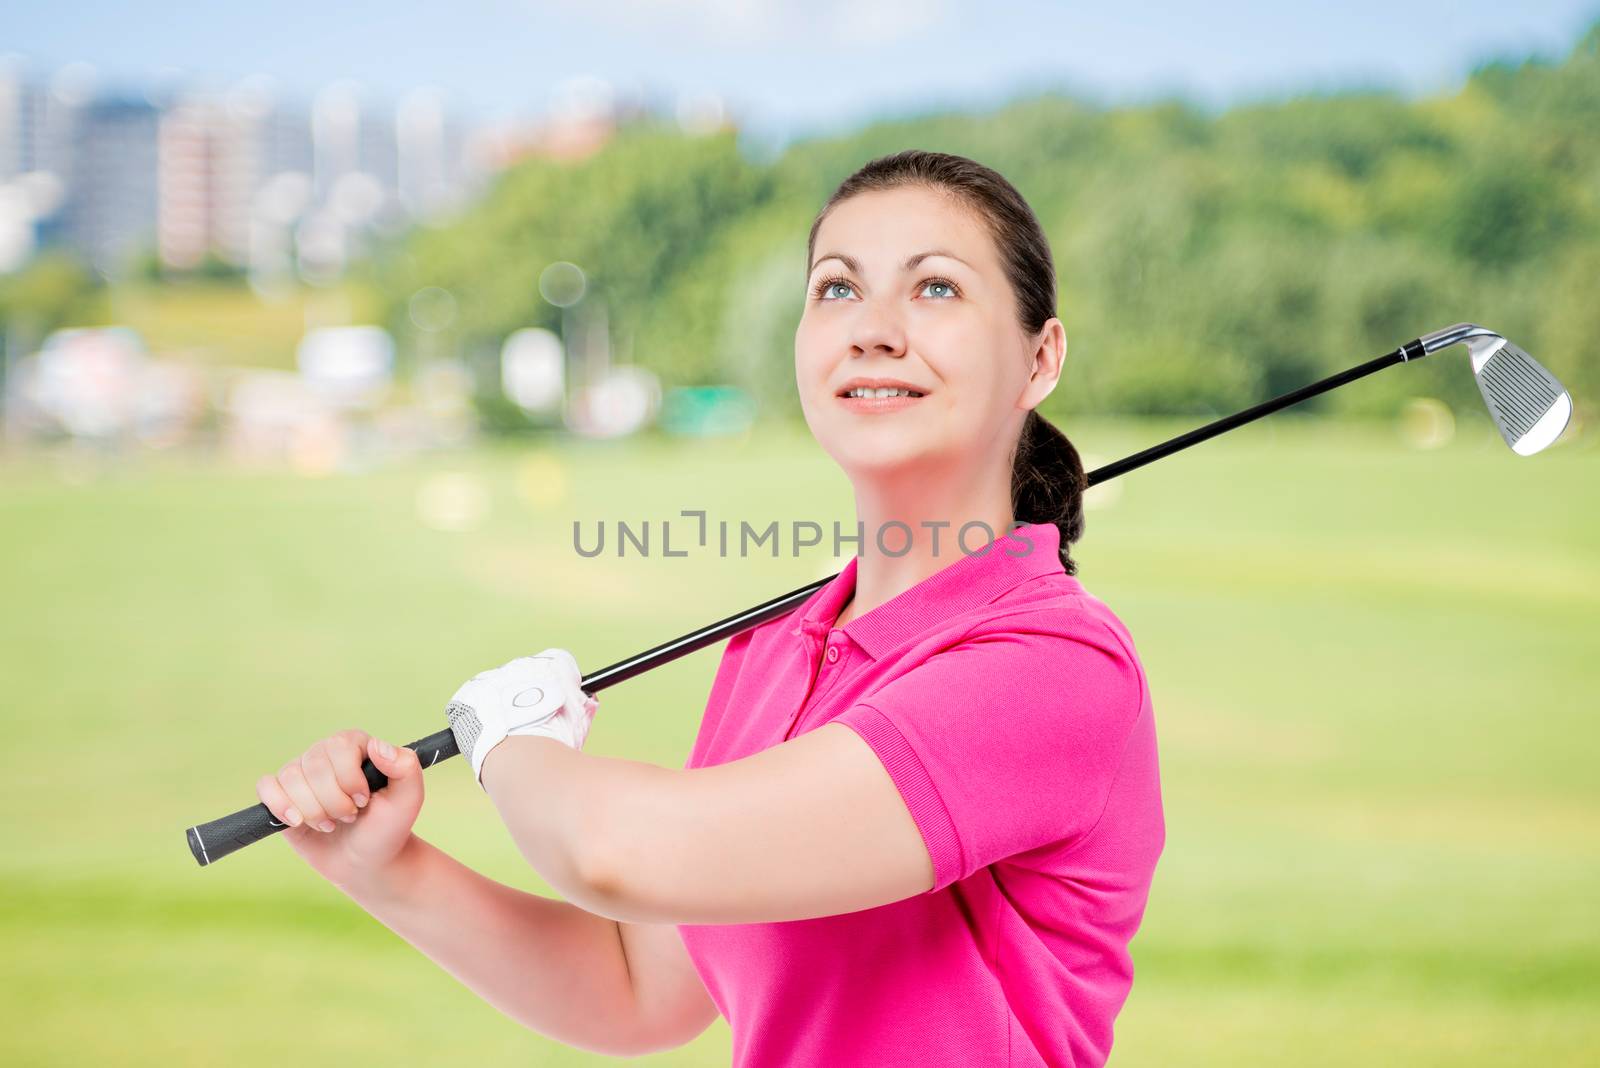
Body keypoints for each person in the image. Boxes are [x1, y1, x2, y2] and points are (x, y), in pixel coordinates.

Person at [256, 149, 1165, 1067]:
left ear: (1040, 357)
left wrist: (508, 738)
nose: (874, 330)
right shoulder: (776, 649)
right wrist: (386, 866)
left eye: (935, 289)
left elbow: (617, 852)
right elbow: (637, 987)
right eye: (836, 290)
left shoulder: (1053, 667)